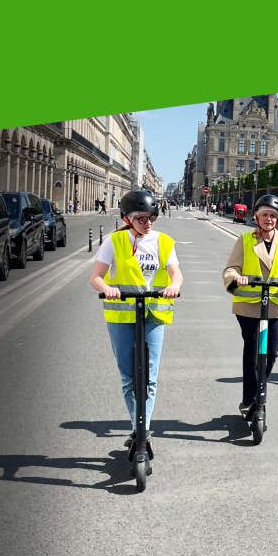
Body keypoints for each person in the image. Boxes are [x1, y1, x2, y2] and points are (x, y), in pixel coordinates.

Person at [89, 190, 183, 449]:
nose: (148, 222)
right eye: (141, 218)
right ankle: (136, 427)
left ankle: (143, 431)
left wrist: (174, 286)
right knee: (129, 377)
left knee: (149, 377)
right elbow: (96, 277)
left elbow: (176, 274)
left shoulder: (164, 242)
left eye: (152, 217)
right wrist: (107, 288)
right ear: (127, 218)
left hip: (154, 313)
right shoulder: (114, 241)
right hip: (121, 315)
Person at [221, 194, 278, 418]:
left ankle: (258, 391)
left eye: (273, 216)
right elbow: (230, 269)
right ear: (256, 217)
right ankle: (251, 399)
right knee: (253, 350)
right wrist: (237, 278)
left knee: (271, 352)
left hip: (274, 304)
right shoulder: (245, 240)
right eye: (264, 215)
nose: (269, 219)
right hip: (249, 305)